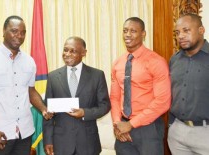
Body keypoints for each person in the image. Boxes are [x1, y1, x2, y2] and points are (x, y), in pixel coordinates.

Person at [0, 15, 52, 155]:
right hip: (0, 133)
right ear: (4, 31)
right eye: (14, 31)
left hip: (25, 132)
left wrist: (43, 109)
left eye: (23, 32)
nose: (19, 35)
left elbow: (31, 91)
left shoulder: (29, 61)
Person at [110, 17, 171, 155]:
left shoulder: (156, 62)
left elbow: (163, 102)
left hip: (148, 128)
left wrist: (131, 125)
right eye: (125, 31)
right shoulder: (117, 63)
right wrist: (117, 124)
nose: (127, 34)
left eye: (133, 31)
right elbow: (114, 97)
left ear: (143, 34)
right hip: (122, 127)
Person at [43, 36, 110, 155]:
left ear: (84, 53)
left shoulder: (97, 75)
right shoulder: (53, 77)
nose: (67, 54)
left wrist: (85, 113)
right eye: (65, 50)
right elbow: (47, 111)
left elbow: (105, 106)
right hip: (61, 143)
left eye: (73, 51)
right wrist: (48, 140)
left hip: (88, 142)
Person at [168, 13, 209, 155]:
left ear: (201, 30)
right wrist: (171, 125)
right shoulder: (174, 60)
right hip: (177, 133)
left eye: (186, 30)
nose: (180, 36)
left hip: (205, 134)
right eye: (177, 32)